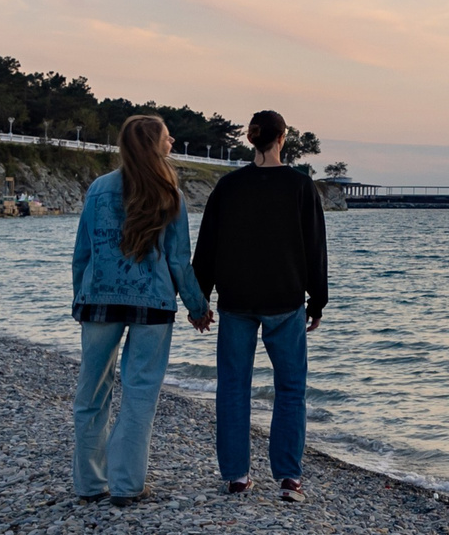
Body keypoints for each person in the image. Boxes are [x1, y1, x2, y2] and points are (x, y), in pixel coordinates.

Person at [71, 115, 208, 507]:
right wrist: (197, 307)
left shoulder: (99, 189)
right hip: (153, 303)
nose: (172, 140)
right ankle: (127, 485)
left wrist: (80, 298)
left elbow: (83, 252)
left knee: (91, 393)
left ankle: (90, 485)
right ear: (153, 144)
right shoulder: (169, 194)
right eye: (167, 136)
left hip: (99, 300)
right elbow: (178, 261)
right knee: (140, 394)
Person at [192, 109, 329, 501]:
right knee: (290, 388)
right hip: (284, 300)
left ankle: (237, 476)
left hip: (236, 299)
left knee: (233, 387)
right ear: (283, 138)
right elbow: (315, 248)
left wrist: (200, 300)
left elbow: (207, 246)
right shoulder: (301, 186)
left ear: (251, 139)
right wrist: (317, 300)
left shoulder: (229, 186)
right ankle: (289, 479)